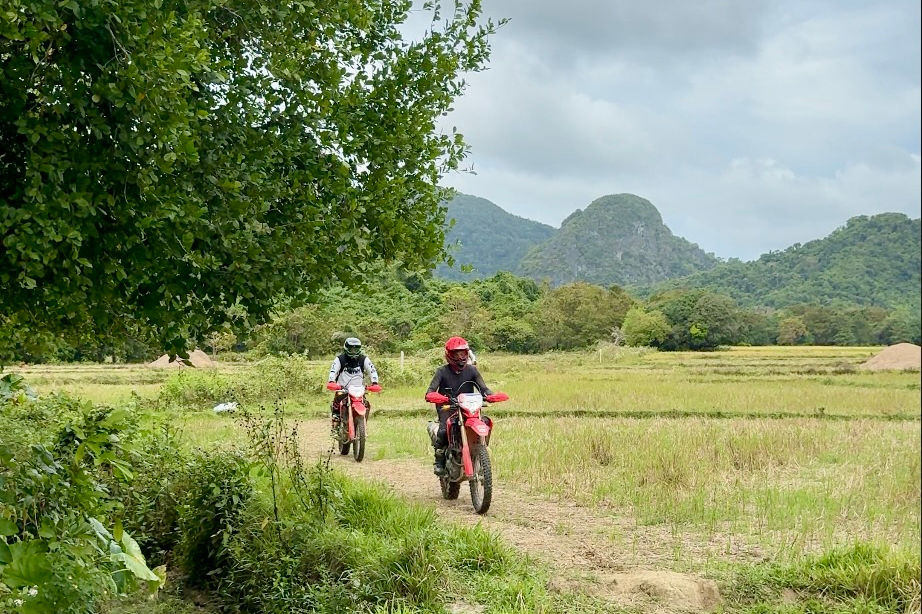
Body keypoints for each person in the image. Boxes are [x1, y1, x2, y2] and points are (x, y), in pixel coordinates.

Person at [424, 336, 506, 476]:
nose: (460, 357)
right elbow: (430, 392)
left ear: (467, 353)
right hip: (448, 407)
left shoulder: (472, 370)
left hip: (469, 408)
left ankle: (481, 450)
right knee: (443, 430)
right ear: (449, 355)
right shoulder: (442, 371)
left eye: (463, 353)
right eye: (457, 354)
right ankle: (439, 461)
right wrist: (439, 398)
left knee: (485, 422)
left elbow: (484, 388)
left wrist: (490, 396)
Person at [326, 337, 380, 424]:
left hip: (358, 390)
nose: (353, 351)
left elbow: (372, 370)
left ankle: (363, 422)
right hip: (343, 389)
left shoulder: (364, 359)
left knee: (366, 404)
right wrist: (331, 381)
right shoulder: (339, 359)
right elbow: (333, 371)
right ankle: (336, 421)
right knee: (337, 403)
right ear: (346, 348)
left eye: (356, 349)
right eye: (351, 349)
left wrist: (375, 382)